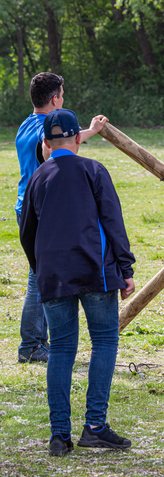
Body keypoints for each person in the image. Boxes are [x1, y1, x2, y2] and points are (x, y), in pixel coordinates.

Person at [20, 108, 136, 456]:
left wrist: (40, 269)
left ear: (45, 143)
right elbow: (113, 220)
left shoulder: (38, 178)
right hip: (95, 272)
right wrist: (126, 269)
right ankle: (95, 426)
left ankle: (59, 436)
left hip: (52, 276)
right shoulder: (93, 170)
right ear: (77, 139)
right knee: (103, 341)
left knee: (61, 349)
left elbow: (27, 232)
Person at [15, 72, 107, 364]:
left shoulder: (24, 125)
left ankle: (36, 342)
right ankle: (31, 345)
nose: (63, 99)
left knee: (38, 275)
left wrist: (88, 130)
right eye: (62, 95)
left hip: (25, 206)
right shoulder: (46, 128)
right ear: (55, 99)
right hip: (42, 209)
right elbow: (57, 147)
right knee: (38, 278)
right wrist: (91, 129)